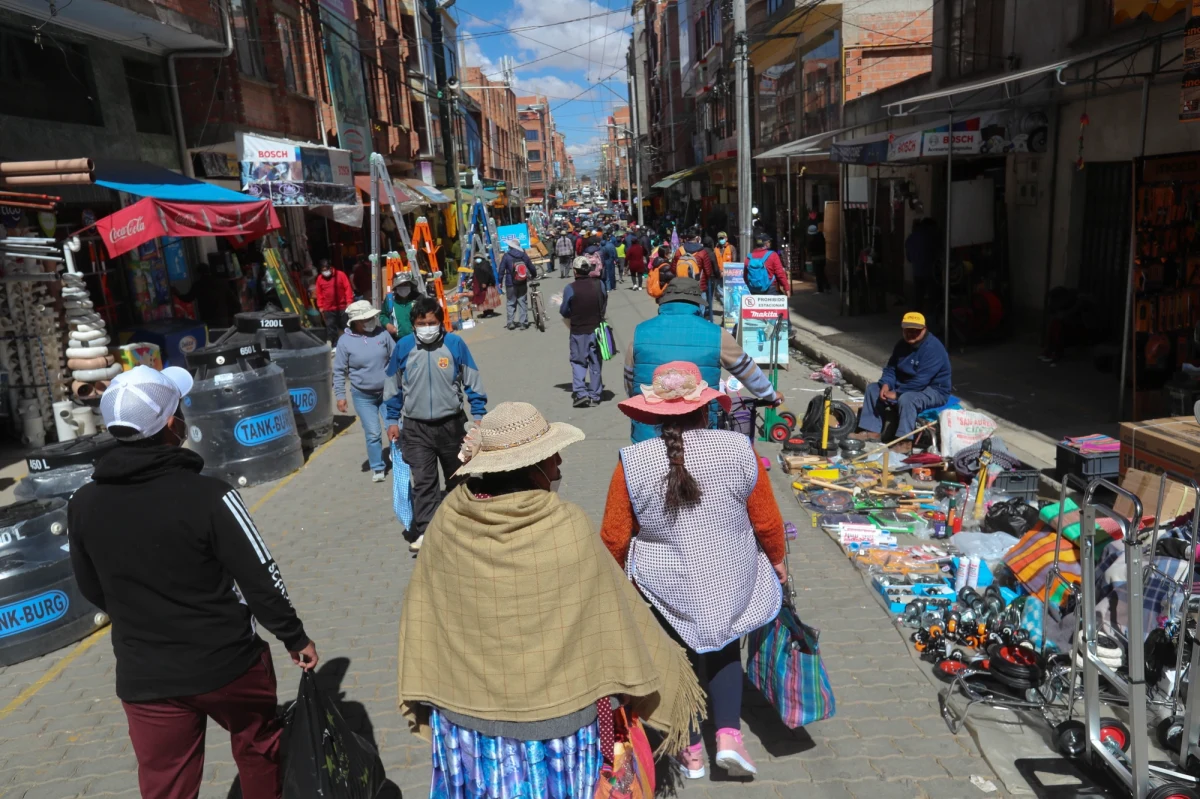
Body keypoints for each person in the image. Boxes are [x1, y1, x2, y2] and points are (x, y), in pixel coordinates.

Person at [396, 402, 705, 799]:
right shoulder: (567, 526)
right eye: (549, 455)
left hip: (466, 721)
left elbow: (423, 617)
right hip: (555, 732)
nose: (559, 462)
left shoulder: (447, 521)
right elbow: (614, 618)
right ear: (529, 468)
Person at [67, 366, 318, 799]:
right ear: (171, 423)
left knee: (165, 783)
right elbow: (260, 578)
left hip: (145, 675)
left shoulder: (83, 502)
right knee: (259, 749)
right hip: (228, 664)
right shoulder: (211, 495)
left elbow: (91, 588)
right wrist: (295, 638)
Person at [602, 361, 787, 780]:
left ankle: (691, 751)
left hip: (664, 585)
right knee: (724, 650)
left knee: (677, 660)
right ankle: (728, 737)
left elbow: (614, 536)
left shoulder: (632, 462)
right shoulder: (738, 448)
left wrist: (613, 581)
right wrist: (777, 559)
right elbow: (767, 521)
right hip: (730, 576)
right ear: (706, 410)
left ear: (652, 416)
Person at [385, 296, 488, 552]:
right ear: (414, 324)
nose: (427, 327)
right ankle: (427, 530)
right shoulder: (403, 347)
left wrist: (478, 414)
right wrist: (391, 419)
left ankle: (461, 526)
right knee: (424, 481)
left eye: (432, 322)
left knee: (458, 478)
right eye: (422, 322)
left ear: (440, 322)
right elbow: (392, 386)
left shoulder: (455, 344)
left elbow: (472, 380)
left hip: (452, 425)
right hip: (416, 427)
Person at [624, 278, 781, 443]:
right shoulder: (716, 334)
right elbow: (748, 372)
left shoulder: (640, 332)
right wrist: (770, 395)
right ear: (698, 304)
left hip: (647, 433)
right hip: (699, 433)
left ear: (663, 302)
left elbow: (630, 382)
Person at [853, 312, 952, 449]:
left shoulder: (933, 349)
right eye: (908, 331)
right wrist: (886, 384)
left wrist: (897, 393)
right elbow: (891, 369)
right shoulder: (902, 345)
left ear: (924, 329)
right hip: (905, 384)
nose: (911, 334)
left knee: (907, 398)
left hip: (933, 390)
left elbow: (921, 381)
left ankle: (904, 441)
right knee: (873, 389)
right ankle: (871, 431)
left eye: (915, 331)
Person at [334, 300, 397, 482]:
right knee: (373, 432)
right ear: (355, 322)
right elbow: (338, 371)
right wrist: (340, 396)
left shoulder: (383, 334)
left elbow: (395, 357)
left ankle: (398, 457)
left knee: (394, 426)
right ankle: (377, 466)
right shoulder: (345, 342)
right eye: (366, 319)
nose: (371, 321)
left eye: (372, 317)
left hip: (387, 392)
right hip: (363, 396)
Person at [560, 256, 608, 408]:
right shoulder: (599, 284)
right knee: (595, 362)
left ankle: (581, 393)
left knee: (579, 362)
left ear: (574, 271)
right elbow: (604, 302)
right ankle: (595, 394)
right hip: (598, 330)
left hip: (579, 331)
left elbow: (564, 311)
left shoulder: (570, 288)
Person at [675, 228, 718, 320]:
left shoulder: (679, 251)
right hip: (699, 286)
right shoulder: (702, 252)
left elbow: (673, 268)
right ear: (698, 238)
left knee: (686, 307)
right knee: (700, 308)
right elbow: (708, 271)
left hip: (682, 285)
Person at [497, 242, 537, 330]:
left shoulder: (506, 256)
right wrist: (534, 275)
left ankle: (510, 322)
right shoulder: (523, 255)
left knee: (511, 303)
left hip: (510, 283)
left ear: (510, 247)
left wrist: (499, 281)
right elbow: (531, 267)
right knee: (522, 302)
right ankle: (523, 323)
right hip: (522, 282)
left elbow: (501, 269)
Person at [315, 259, 354, 345]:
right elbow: (319, 293)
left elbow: (347, 288)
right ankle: (333, 346)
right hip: (328, 309)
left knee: (346, 327)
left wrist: (349, 302)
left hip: (342, 307)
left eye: (326, 270)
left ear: (330, 268)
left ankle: (350, 344)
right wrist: (320, 306)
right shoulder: (319, 279)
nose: (325, 272)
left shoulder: (340, 275)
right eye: (323, 270)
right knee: (331, 329)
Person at [906, 217, 938, 312]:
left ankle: (917, 316)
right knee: (933, 297)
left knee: (918, 298)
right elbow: (936, 252)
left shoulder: (910, 238)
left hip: (917, 271)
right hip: (930, 271)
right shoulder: (931, 237)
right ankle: (933, 316)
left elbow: (909, 258)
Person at [379, 272, 420, 340]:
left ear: (410, 286)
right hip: (396, 339)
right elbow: (382, 315)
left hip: (416, 338)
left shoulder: (418, 299)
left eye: (406, 284)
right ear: (396, 287)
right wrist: (387, 324)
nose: (403, 287)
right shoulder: (390, 299)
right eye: (400, 285)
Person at [469, 254, 501, 318]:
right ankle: (485, 312)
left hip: (487, 285)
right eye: (475, 258)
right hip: (481, 285)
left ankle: (490, 312)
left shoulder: (485, 264)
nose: (476, 259)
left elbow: (487, 274)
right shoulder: (478, 265)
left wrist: (484, 282)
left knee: (488, 299)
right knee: (484, 300)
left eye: (477, 258)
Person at [807, 224, 828, 293]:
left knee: (818, 274)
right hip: (823, 257)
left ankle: (820, 289)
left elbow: (811, 249)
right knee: (822, 272)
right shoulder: (821, 237)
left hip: (816, 258)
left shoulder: (812, 240)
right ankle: (827, 287)